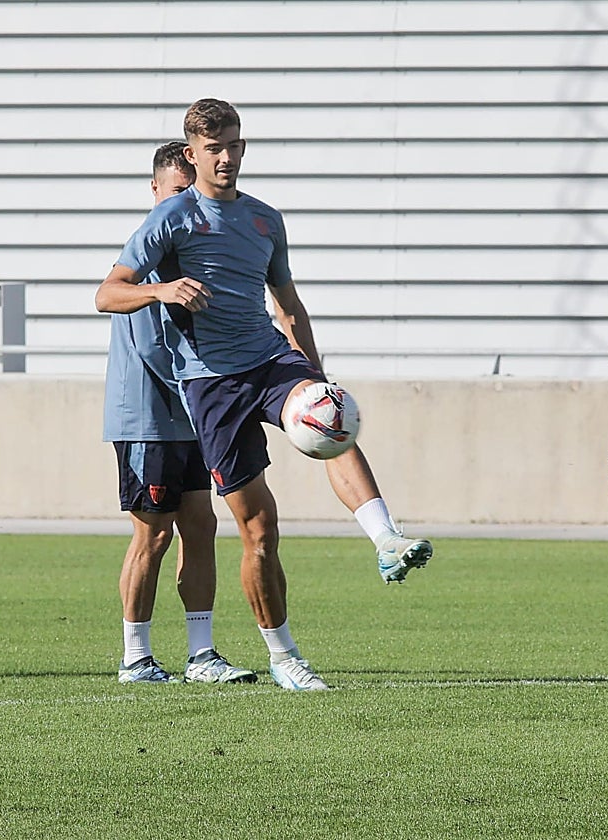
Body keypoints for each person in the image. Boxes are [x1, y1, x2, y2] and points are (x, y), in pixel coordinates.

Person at [95, 99, 433, 691]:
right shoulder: (171, 218)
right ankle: (283, 655)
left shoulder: (264, 220)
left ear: (244, 147)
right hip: (212, 383)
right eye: (212, 149)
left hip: (269, 358)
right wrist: (163, 290)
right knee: (259, 530)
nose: (225, 158)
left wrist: (316, 372)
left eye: (233, 145)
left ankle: (385, 538)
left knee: (330, 418)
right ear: (192, 154)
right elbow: (107, 293)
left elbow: (289, 303)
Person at [108, 141, 254, 685]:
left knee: (201, 525)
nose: (186, 203)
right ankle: (135, 657)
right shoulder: (149, 262)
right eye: (177, 191)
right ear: (156, 191)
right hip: (149, 417)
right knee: (154, 534)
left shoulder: (196, 251)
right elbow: (153, 350)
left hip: (192, 416)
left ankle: (201, 654)